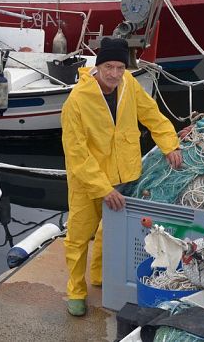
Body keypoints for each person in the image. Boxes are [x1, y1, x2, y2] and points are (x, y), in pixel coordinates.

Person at [61, 37, 182, 316]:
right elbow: (77, 153)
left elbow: (152, 115)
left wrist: (169, 144)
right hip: (87, 183)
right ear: (98, 66)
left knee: (110, 231)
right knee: (78, 237)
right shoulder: (76, 102)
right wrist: (103, 189)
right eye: (109, 67)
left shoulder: (129, 85)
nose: (115, 74)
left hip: (123, 175)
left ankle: (101, 275)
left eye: (120, 67)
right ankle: (76, 291)